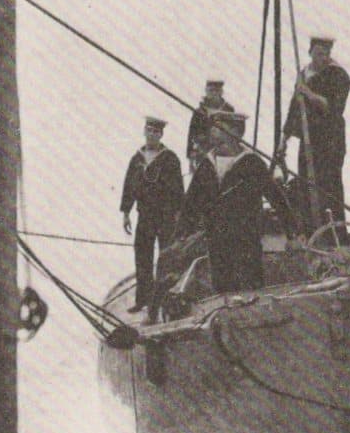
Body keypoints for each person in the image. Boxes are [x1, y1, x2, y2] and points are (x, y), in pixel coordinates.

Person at [175, 110, 299, 293]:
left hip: (245, 237)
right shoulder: (207, 164)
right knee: (222, 285)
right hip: (216, 237)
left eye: (220, 128)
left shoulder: (252, 163)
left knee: (250, 284)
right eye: (213, 128)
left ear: (236, 133)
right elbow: (192, 201)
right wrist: (181, 233)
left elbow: (276, 198)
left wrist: (292, 233)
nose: (213, 133)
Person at [278, 34, 350, 236]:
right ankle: (311, 231)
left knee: (329, 185)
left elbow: (334, 107)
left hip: (330, 140)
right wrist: (284, 139)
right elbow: (294, 108)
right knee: (306, 184)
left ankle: (333, 233)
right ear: (310, 52)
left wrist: (308, 94)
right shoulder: (304, 74)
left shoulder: (338, 76)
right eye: (319, 53)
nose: (323, 57)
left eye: (326, 53)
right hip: (308, 139)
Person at [120, 117, 185, 312]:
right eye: (149, 130)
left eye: (156, 132)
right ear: (144, 131)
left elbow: (178, 190)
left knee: (167, 257)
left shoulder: (170, 158)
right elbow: (129, 186)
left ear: (161, 134)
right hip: (145, 216)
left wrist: (178, 214)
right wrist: (126, 212)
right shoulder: (137, 159)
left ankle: (166, 299)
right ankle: (143, 300)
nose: (152, 135)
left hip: (165, 216)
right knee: (143, 257)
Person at [186, 79, 235, 168]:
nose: (214, 93)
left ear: (221, 92)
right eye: (211, 90)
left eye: (216, 90)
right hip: (203, 151)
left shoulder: (229, 110)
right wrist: (190, 156)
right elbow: (192, 133)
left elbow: (234, 133)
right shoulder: (199, 112)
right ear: (206, 91)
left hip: (223, 153)